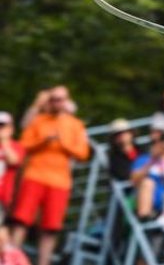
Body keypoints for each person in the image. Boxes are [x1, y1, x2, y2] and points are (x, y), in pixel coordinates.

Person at [10, 86, 90, 265]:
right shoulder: (39, 121)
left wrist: (64, 143)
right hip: (34, 176)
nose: (56, 102)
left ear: (66, 101)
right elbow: (24, 144)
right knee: (21, 220)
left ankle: (43, 262)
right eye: (53, 99)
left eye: (60, 99)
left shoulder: (75, 125)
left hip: (60, 182)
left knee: (51, 226)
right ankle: (10, 259)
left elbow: (83, 153)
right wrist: (43, 141)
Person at [0, 111, 24, 215]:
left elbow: (14, 161)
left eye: (3, 126)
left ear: (11, 129)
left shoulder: (16, 146)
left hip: (2, 196)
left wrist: (4, 141)